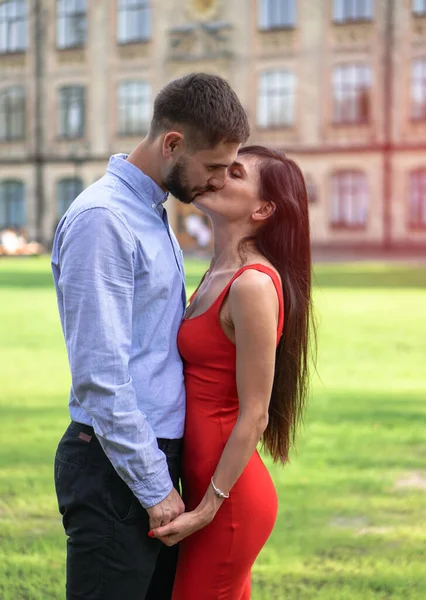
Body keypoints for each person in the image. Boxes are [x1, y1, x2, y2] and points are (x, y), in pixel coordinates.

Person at [51, 73, 249, 600]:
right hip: (117, 467)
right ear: (172, 144)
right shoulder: (104, 219)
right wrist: (155, 486)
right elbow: (100, 377)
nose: (216, 182)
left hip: (147, 457)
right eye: (211, 168)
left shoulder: (150, 213)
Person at [150, 146, 316, 600]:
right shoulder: (217, 272)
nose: (218, 175)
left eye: (234, 172)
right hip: (204, 488)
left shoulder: (253, 285)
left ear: (263, 209)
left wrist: (206, 510)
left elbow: (255, 415)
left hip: (229, 502)